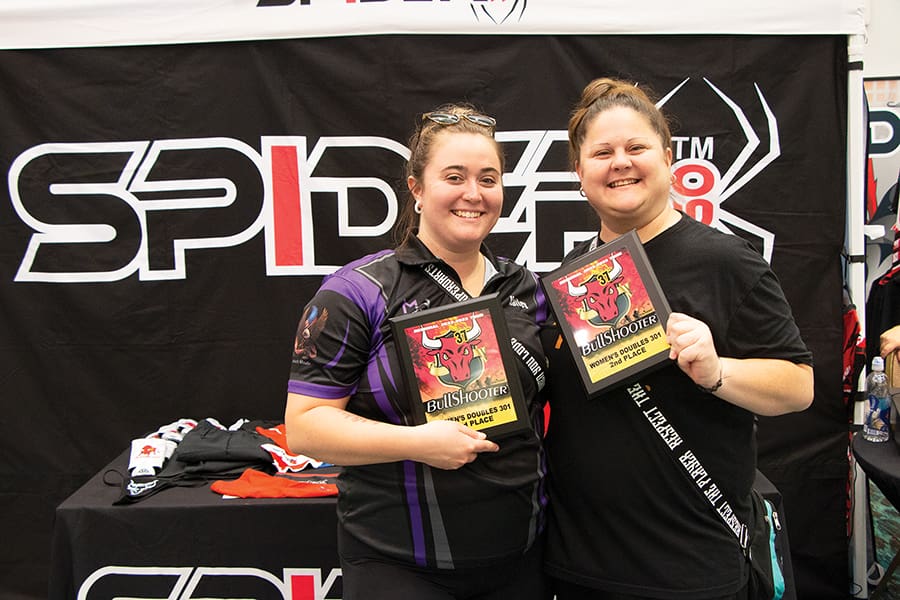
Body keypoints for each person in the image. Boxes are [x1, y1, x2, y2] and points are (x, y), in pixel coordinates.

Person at [541, 78, 815, 600]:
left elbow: (799, 387)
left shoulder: (724, 261)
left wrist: (718, 371)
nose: (620, 163)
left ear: (668, 158)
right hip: (577, 563)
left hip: (688, 566)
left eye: (636, 147)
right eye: (602, 153)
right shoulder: (570, 277)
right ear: (579, 173)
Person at [284, 103, 550, 600]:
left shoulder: (527, 288)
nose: (474, 193)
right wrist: (416, 442)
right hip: (398, 565)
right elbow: (305, 427)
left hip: (521, 560)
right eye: (454, 177)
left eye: (488, 179)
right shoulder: (357, 291)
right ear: (417, 188)